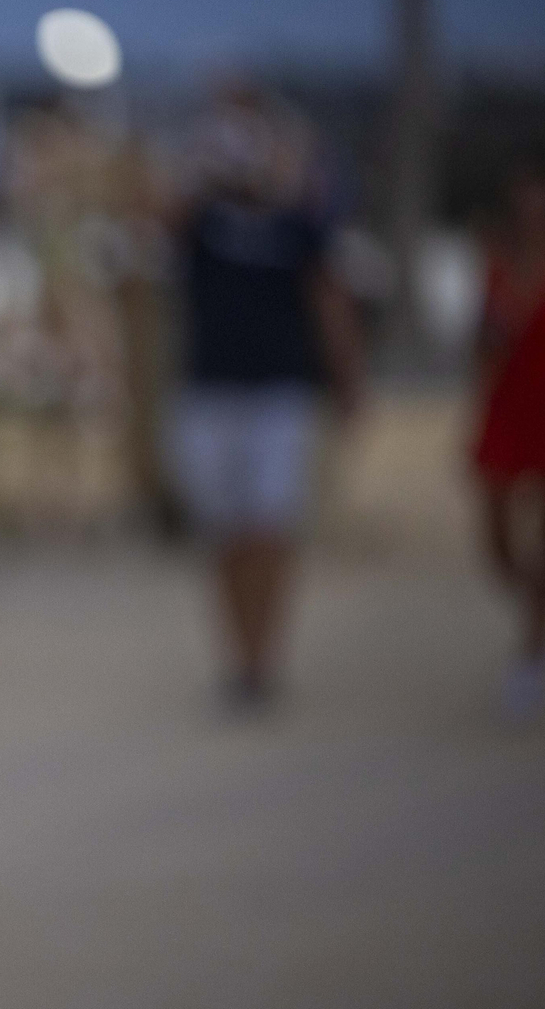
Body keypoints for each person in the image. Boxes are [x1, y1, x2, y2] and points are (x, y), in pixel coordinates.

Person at [171, 86, 364, 706]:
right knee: (225, 535)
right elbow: (150, 212)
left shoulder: (300, 224)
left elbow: (329, 300)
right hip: (208, 394)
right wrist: (202, 166)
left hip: (282, 394)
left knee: (270, 529)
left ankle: (262, 659)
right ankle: (239, 655)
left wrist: (348, 380)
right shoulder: (198, 222)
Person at [473, 155, 545, 718]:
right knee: (497, 534)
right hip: (510, 402)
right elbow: (482, 340)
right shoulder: (496, 263)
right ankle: (537, 604)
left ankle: (535, 641)